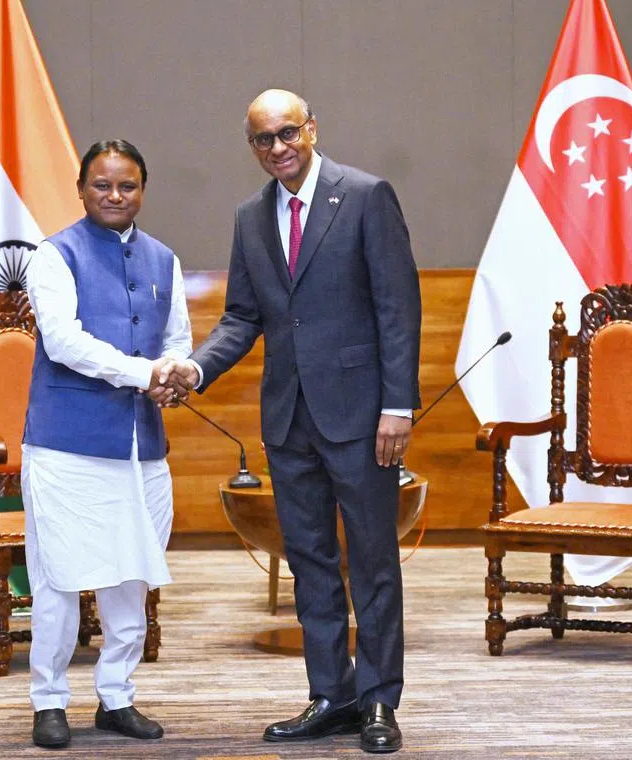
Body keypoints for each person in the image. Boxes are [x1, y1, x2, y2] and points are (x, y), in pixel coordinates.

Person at [172, 89, 421, 754]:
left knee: (371, 560)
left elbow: (398, 307)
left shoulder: (365, 195)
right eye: (263, 139)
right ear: (250, 146)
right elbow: (242, 318)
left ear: (312, 128)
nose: (277, 147)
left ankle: (377, 702)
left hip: (363, 417)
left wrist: (398, 406)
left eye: (287, 133)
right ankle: (330, 695)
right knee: (310, 560)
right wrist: (196, 369)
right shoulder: (250, 217)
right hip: (288, 420)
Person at [21, 139, 192, 749]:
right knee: (60, 582)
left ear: (143, 190)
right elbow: (63, 342)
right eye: (102, 184)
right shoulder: (54, 255)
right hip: (67, 447)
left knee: (132, 578)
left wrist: (175, 373)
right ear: (81, 187)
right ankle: (49, 700)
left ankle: (115, 696)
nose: (115, 196)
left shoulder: (164, 259)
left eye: (127, 186)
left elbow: (177, 339)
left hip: (141, 448)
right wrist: (145, 373)